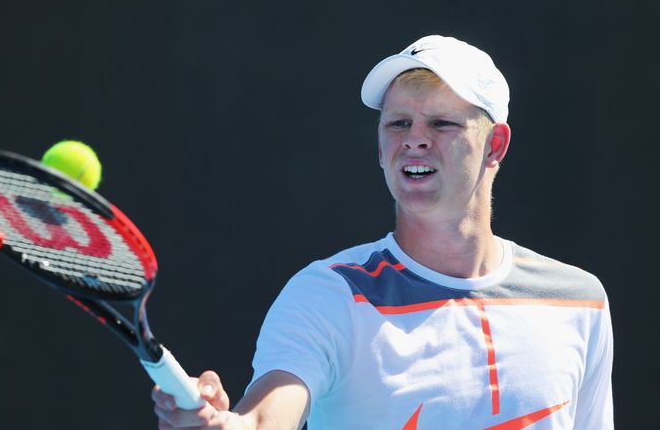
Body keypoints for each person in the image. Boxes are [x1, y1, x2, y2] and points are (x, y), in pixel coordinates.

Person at [152, 35, 614, 429]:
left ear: (494, 145)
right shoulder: (327, 294)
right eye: (399, 123)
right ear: (380, 146)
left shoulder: (580, 300)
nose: (415, 139)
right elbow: (265, 418)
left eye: (441, 123)